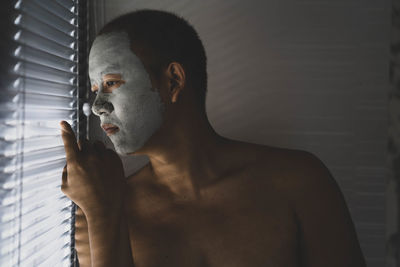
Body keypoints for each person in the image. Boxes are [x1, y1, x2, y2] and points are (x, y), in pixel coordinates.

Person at [61, 9, 367, 267]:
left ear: (173, 81)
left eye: (111, 83)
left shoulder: (298, 181)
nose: (96, 107)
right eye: (94, 90)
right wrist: (102, 214)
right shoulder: (101, 210)